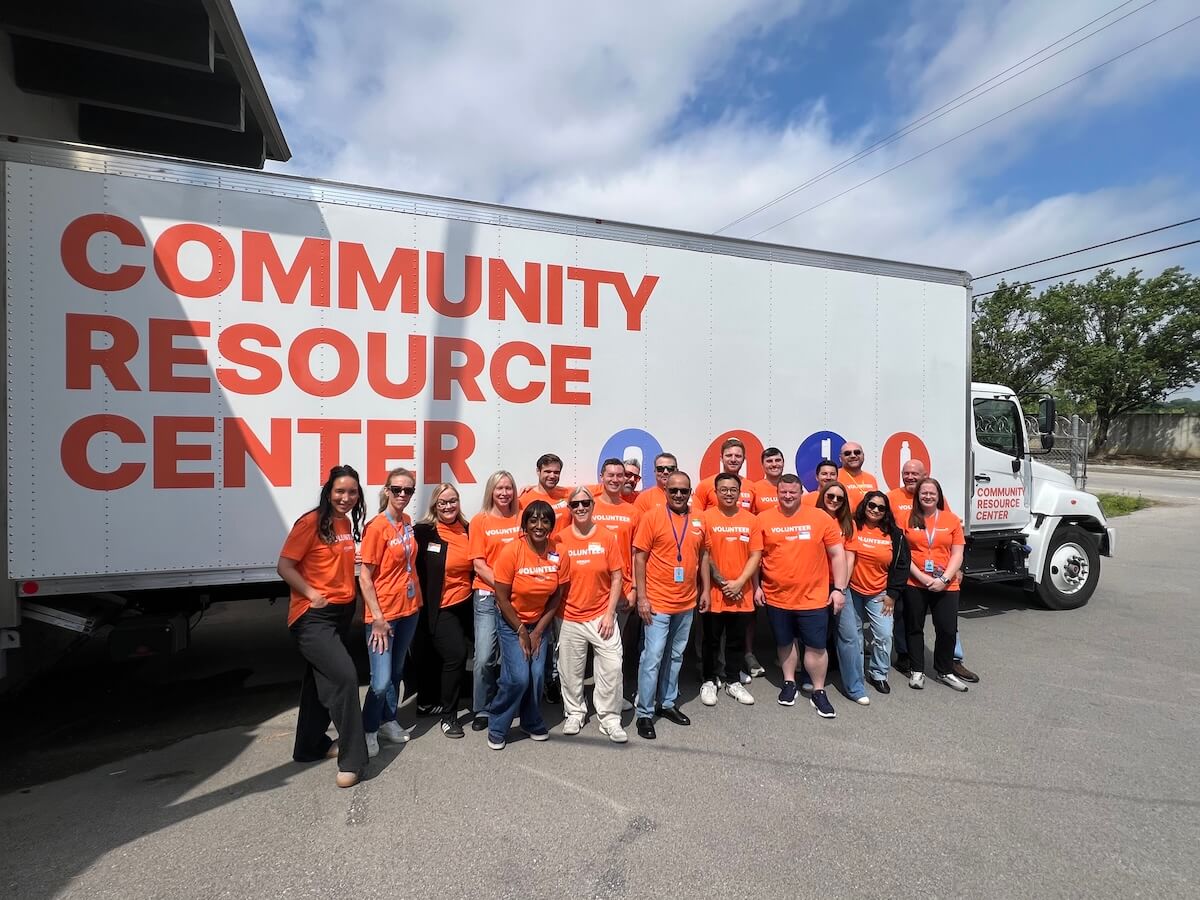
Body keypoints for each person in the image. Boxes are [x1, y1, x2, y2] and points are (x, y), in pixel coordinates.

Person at [277, 464, 367, 789]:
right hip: (312, 617)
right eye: (340, 491)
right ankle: (354, 759)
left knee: (319, 682)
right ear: (329, 492)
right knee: (344, 677)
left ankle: (309, 746)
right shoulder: (311, 522)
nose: (346, 497)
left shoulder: (344, 522)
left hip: (340, 614)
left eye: (352, 492)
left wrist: (354, 603)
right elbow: (284, 565)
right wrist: (312, 593)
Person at [756, 474, 848, 719]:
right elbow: (756, 558)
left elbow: (838, 555)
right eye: (783, 492)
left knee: (817, 647)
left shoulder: (820, 517)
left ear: (801, 493)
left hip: (814, 598)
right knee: (785, 643)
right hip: (777, 597)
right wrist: (757, 586)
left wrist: (839, 589)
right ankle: (789, 683)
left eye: (792, 492)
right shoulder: (763, 519)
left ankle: (818, 691)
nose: (788, 496)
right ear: (777, 493)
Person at [488, 500, 570, 750]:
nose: (539, 525)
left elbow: (556, 596)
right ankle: (497, 725)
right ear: (525, 524)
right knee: (519, 678)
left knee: (536, 676)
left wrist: (538, 631)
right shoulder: (512, 551)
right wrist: (523, 631)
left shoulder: (559, 552)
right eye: (533, 520)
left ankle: (531, 721)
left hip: (539, 624)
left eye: (545, 520)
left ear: (551, 525)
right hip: (512, 622)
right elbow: (501, 596)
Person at [887, 459, 978, 684]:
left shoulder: (946, 513)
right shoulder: (892, 499)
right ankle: (909, 659)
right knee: (908, 622)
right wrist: (920, 576)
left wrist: (951, 573)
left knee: (947, 626)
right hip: (909, 574)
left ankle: (950, 664)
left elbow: (954, 544)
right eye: (905, 473)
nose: (910, 477)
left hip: (944, 577)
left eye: (915, 473)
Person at [633, 471, 704, 739]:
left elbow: (703, 556)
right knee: (652, 658)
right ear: (665, 491)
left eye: (683, 491)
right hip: (657, 603)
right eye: (673, 490)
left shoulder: (699, 519)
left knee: (675, 656)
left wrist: (704, 591)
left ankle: (667, 703)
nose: (678, 495)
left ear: (690, 493)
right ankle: (644, 713)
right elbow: (640, 558)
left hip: (686, 602)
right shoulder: (651, 517)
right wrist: (642, 597)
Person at [554, 486, 628, 742]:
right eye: (575, 504)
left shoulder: (607, 537)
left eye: (586, 503)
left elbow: (617, 576)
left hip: (601, 616)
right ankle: (575, 712)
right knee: (570, 671)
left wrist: (609, 614)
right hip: (569, 617)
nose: (581, 508)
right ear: (570, 509)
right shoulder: (560, 539)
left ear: (593, 506)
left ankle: (609, 718)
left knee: (612, 667)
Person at [358, 468, 422, 757]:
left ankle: (388, 719)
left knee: (396, 671)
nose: (402, 495)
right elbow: (365, 576)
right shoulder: (376, 527)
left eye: (408, 491)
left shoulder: (407, 522)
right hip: (382, 615)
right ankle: (368, 728)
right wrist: (378, 618)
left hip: (409, 609)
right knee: (380, 680)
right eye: (397, 489)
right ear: (386, 490)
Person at [413, 483, 475, 737]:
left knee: (484, 651)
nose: (448, 506)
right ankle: (449, 717)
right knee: (456, 655)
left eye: (452, 501)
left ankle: (431, 701)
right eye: (443, 503)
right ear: (434, 506)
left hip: (467, 602)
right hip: (439, 608)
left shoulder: (468, 530)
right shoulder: (424, 532)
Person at [697, 473, 761, 707]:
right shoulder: (704, 518)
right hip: (714, 592)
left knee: (736, 640)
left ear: (739, 492)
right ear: (715, 492)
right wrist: (722, 582)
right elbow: (703, 553)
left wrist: (740, 582)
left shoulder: (751, 520)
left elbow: (756, 554)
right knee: (711, 640)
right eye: (723, 489)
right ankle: (709, 680)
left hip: (741, 593)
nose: (728, 493)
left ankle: (733, 681)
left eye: (733, 489)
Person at [902, 477, 970, 692]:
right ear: (917, 496)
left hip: (946, 584)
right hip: (915, 582)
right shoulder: (907, 519)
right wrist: (922, 577)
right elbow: (903, 554)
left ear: (939, 496)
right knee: (914, 628)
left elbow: (958, 553)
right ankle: (917, 670)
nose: (928, 496)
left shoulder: (951, 520)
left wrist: (943, 579)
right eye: (924, 493)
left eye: (932, 493)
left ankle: (945, 671)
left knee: (947, 629)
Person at [842, 490, 911, 697]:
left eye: (881, 507)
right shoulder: (853, 526)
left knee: (883, 634)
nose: (875, 510)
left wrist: (893, 594)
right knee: (854, 635)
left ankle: (879, 673)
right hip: (852, 590)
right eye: (872, 505)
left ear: (886, 511)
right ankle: (855, 674)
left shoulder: (895, 534)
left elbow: (902, 565)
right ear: (865, 505)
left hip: (880, 593)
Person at [467, 470, 521, 732]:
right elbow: (478, 564)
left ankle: (509, 703)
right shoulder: (480, 521)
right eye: (499, 488)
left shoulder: (521, 518)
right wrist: (502, 590)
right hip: (488, 596)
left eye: (508, 488)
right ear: (491, 491)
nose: (504, 493)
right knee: (485, 656)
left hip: (518, 597)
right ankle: (483, 708)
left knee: (514, 655)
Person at [593, 458, 642, 706]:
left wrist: (634, 588)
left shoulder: (633, 512)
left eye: (619, 475)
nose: (615, 479)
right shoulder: (587, 506)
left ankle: (612, 697)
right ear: (601, 476)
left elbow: (636, 553)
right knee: (585, 648)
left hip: (621, 589)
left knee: (613, 649)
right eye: (610, 475)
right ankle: (579, 697)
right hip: (590, 590)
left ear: (625, 479)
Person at [692, 438, 754, 511]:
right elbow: (695, 516)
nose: (733, 460)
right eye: (729, 455)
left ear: (743, 459)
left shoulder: (751, 487)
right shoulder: (705, 485)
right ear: (721, 458)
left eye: (738, 456)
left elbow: (754, 518)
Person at [518, 453, 572, 531]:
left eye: (556, 472)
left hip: (563, 543)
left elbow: (593, 490)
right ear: (538, 471)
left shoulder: (568, 493)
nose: (552, 476)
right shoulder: (523, 499)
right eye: (548, 472)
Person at [838, 441, 879, 511]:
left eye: (857, 452)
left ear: (863, 455)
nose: (853, 456)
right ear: (840, 458)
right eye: (847, 453)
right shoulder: (834, 476)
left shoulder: (871, 478)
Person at [749, 446, 786, 513]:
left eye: (778, 460)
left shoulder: (793, 487)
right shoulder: (755, 488)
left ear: (783, 463)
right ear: (762, 464)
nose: (774, 464)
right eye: (769, 461)